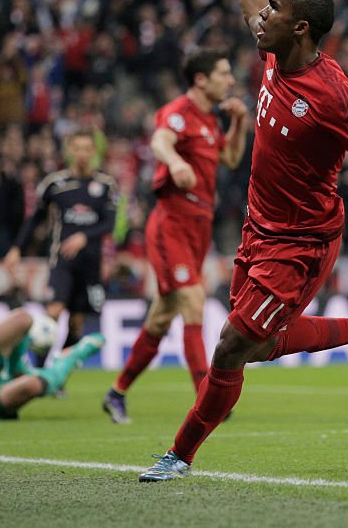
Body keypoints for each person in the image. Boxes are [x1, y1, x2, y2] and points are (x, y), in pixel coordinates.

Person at [138, 0, 348, 482]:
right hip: (258, 228)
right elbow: (251, 5)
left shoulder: (336, 96)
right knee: (258, 347)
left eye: (274, 10)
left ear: (302, 29)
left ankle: (178, 455)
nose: (259, 16)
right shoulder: (274, 52)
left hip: (302, 241)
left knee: (230, 348)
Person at [102, 48, 249, 424]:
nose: (229, 80)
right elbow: (160, 142)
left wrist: (239, 123)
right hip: (171, 224)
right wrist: (177, 161)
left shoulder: (210, 121)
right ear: (201, 79)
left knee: (160, 318)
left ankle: (116, 393)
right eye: (223, 73)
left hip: (198, 227)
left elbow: (230, 159)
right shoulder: (179, 112)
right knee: (193, 300)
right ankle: (209, 397)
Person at [4, 130, 118, 370]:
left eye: (87, 149)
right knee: (54, 311)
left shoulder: (106, 185)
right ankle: (38, 370)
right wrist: (16, 249)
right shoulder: (55, 184)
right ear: (69, 151)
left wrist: (83, 237)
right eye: (78, 148)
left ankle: (57, 371)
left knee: (77, 323)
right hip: (62, 261)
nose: (82, 154)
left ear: (93, 152)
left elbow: (109, 223)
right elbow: (34, 219)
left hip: (90, 262)